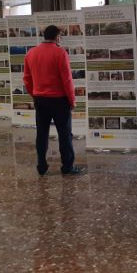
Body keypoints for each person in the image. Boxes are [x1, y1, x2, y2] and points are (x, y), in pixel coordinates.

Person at [24, 25, 84, 176]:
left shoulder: (31, 53)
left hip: (40, 100)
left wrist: (34, 94)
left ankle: (42, 166)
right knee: (64, 134)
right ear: (57, 37)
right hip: (59, 101)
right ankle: (67, 167)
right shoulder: (60, 53)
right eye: (60, 36)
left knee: (42, 133)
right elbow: (67, 80)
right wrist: (72, 100)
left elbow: (27, 79)